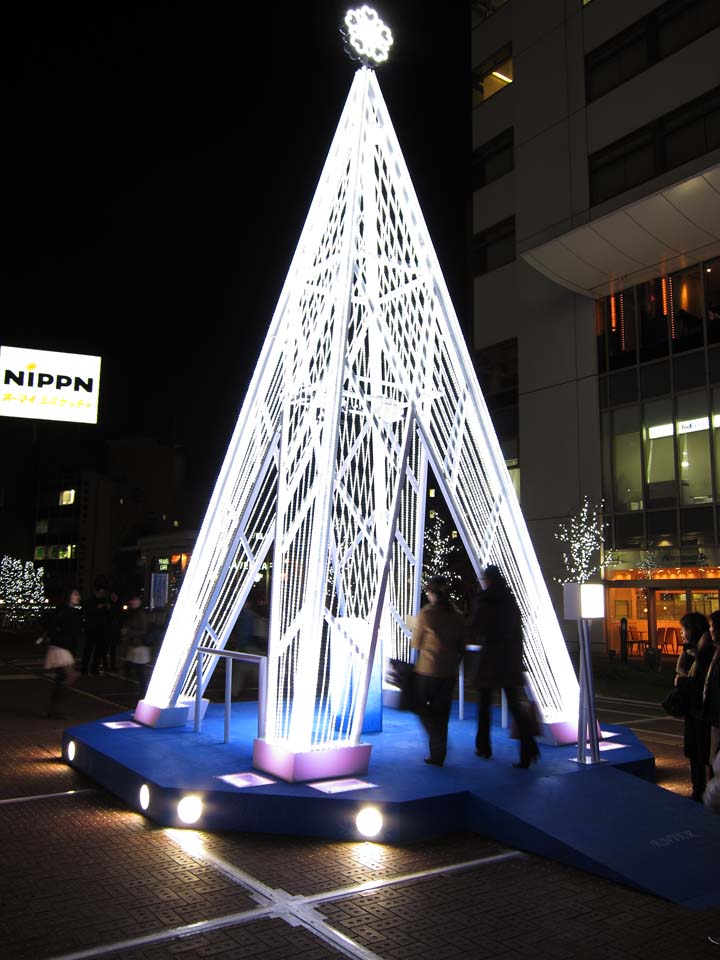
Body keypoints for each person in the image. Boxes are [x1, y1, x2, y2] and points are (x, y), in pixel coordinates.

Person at [471, 564, 540, 769]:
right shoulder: (510, 600)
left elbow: (478, 627)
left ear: (488, 580)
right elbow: (517, 632)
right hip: (508, 659)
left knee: (484, 705)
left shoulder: (485, 600)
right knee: (514, 705)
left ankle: (484, 747)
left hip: (490, 659)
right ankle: (528, 749)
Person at [410, 575, 467, 767]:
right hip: (449, 671)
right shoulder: (457, 615)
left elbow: (416, 643)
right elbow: (462, 644)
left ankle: (435, 737)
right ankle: (438, 755)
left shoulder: (427, 614)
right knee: (442, 713)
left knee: (418, 705)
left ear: (432, 593)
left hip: (428, 669)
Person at [675, 610, 712, 801]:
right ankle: (698, 789)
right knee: (695, 753)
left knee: (704, 753)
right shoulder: (689, 649)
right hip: (693, 710)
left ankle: (707, 793)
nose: (681, 633)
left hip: (703, 711)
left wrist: (680, 682)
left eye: (683, 629)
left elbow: (703, 682)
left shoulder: (706, 652)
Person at [43, 588, 84, 718]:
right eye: (75, 594)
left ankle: (53, 708)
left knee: (63, 678)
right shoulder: (63, 610)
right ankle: (53, 708)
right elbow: (51, 624)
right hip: (60, 648)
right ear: (69, 596)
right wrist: (58, 636)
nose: (78, 596)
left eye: (78, 594)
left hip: (63, 648)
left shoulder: (72, 611)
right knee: (69, 676)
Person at [81, 581, 111, 675]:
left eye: (103, 593)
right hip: (91, 629)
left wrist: (107, 608)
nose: (101, 594)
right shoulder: (90, 601)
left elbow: (108, 615)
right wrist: (97, 608)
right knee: (88, 650)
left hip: (101, 630)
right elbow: (85, 611)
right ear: (96, 592)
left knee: (98, 651)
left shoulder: (105, 602)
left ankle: (95, 669)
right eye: (100, 592)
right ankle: (84, 669)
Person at [122, 595, 150, 690]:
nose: (133, 602)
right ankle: (135, 689)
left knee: (140, 670)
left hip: (140, 644)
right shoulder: (132, 612)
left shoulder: (141, 613)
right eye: (132, 600)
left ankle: (142, 691)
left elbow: (144, 629)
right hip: (133, 644)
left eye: (136, 600)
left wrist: (130, 633)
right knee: (131, 668)